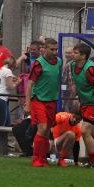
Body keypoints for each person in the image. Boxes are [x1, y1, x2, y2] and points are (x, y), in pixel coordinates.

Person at [24, 38, 61, 167]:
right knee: (43, 127)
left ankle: (43, 158)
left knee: (47, 131)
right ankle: (36, 158)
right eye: (52, 49)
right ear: (44, 49)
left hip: (52, 100)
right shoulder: (39, 63)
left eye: (56, 49)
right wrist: (27, 103)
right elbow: (30, 84)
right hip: (38, 100)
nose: (55, 52)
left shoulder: (59, 62)